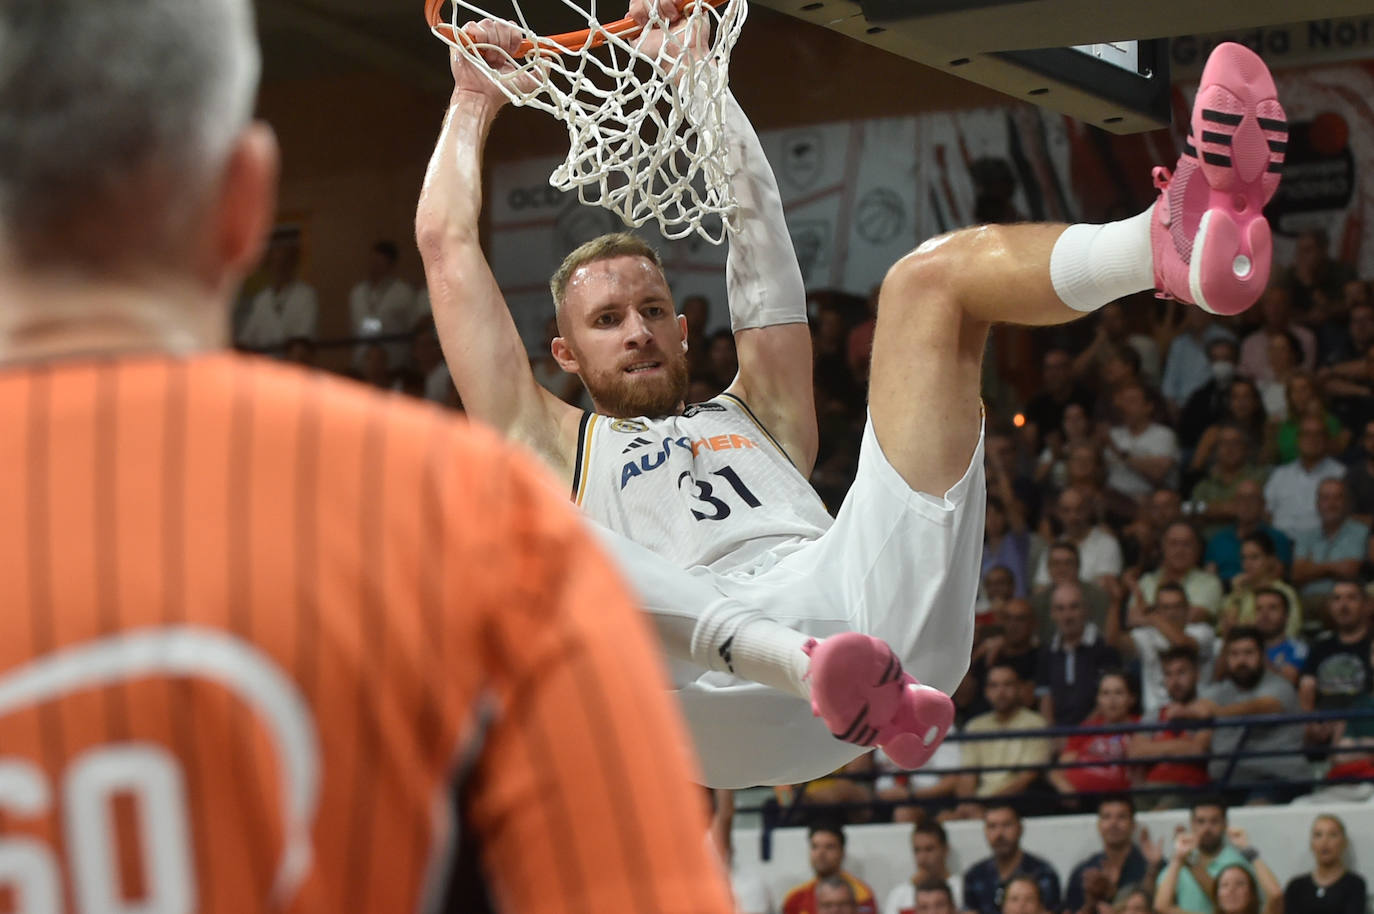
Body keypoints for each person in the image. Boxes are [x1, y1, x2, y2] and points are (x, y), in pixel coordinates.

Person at [0, 3, 739, 913]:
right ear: (245, 205)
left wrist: (474, 100)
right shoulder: (477, 517)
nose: (635, 333)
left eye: (650, 313)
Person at [422, 20, 1286, 786]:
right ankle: (803, 664)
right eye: (609, 321)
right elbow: (448, 251)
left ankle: (1166, 243)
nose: (639, 332)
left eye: (652, 312)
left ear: (686, 331)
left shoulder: (757, 410)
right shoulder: (550, 442)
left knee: (926, 282)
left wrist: (703, 83)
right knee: (534, 541)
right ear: (564, 354)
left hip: (873, 633)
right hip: (707, 696)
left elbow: (759, 243)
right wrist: (472, 99)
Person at [1172, 627, 1309, 804]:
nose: (1241, 660)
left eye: (1248, 653)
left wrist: (1217, 713)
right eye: (1234, 654)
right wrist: (1186, 712)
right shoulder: (1219, 691)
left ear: (1262, 656)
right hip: (1228, 782)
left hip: (1278, 778)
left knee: (1256, 807)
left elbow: (1263, 706)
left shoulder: (1280, 686)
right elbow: (1199, 708)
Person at [950, 664, 1052, 817]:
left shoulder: (1035, 724)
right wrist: (968, 804)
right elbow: (967, 775)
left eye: (1008, 684)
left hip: (1018, 803)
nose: (1001, 692)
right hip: (980, 802)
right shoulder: (975, 726)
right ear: (986, 692)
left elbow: (1028, 777)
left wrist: (987, 807)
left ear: (1019, 688)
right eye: (994, 686)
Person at [1106, 581, 1217, 719]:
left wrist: (1150, 615)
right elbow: (1113, 641)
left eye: (1177, 607)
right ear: (1158, 609)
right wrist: (1115, 603)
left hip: (1196, 713)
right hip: (1155, 718)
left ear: (1187, 609)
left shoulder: (1202, 631)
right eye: (1166, 607)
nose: (1172, 613)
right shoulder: (1147, 635)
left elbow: (1182, 644)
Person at [1128, 647, 1212, 808]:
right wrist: (1179, 747)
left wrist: (1154, 749)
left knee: (1164, 809)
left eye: (1181, 673)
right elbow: (1135, 752)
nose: (1174, 681)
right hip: (1151, 786)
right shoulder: (1155, 714)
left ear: (1197, 675)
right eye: (1168, 674)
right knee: (1120, 811)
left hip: (1189, 787)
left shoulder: (1206, 710)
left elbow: (1196, 750)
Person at [1036, 584, 1123, 726]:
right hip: (1056, 736)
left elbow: (1108, 699)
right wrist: (1051, 734)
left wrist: (1079, 737)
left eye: (1074, 607)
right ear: (1052, 613)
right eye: (1060, 608)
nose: (1067, 615)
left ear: (1086, 610)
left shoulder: (1105, 650)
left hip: (1095, 732)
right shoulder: (1046, 653)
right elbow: (1045, 698)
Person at [1299, 579, 1373, 743]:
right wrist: (1309, 723)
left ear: (1367, 606)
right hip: (1323, 725)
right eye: (1337, 599)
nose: (1343, 605)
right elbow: (1307, 688)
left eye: (1351, 598)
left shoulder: (1372, 644)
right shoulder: (1320, 644)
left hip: (1363, 726)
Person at [1152, 799, 1252, 914]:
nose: (1207, 828)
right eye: (1201, 821)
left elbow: (1222, 899)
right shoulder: (1179, 862)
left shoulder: (1237, 862)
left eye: (1214, 821)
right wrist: (1178, 857)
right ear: (1192, 824)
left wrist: (1189, 860)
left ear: (1225, 824)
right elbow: (1161, 906)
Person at [1049, 672, 1139, 797]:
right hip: (1078, 800)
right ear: (1098, 699)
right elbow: (1059, 769)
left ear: (1132, 698)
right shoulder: (1087, 727)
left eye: (1118, 693)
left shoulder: (1142, 726)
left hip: (1118, 800)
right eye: (1105, 693)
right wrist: (1066, 789)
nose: (1111, 700)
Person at [1063, 796, 1159, 913]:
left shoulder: (1151, 864)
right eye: (1106, 817)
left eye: (1121, 817)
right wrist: (1094, 898)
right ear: (1099, 825)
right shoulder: (1084, 871)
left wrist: (1153, 870)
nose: (1113, 823)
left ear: (1133, 824)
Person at [962, 805, 1061, 914]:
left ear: (1020, 829)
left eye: (1007, 825)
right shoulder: (974, 875)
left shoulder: (1043, 872)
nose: (999, 834)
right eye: (992, 826)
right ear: (985, 831)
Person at [1264, 414, 1346, 541]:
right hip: (1279, 545)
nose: (1312, 439)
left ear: (1327, 440)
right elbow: (1266, 512)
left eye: (1318, 434)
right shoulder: (1280, 474)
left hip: (1320, 546)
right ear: (1298, 439)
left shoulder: (1341, 474)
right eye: (1306, 434)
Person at [1292, 478, 1369, 605]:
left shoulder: (1361, 532)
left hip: (1346, 602)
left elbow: (1350, 570)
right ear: (1317, 503)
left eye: (1337, 498)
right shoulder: (1305, 536)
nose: (1331, 504)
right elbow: (1297, 574)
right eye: (1325, 498)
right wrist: (1333, 568)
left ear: (1347, 503)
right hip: (1308, 602)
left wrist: (1312, 568)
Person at [1203, 480, 1292, 583]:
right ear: (1233, 504)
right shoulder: (1217, 540)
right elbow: (1209, 578)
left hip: (1263, 593)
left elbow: (1279, 577)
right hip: (1225, 594)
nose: (1246, 504)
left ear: (1263, 504)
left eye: (1252, 499)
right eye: (1241, 499)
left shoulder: (1278, 538)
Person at [1216, 532, 1302, 639]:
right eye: (1244, 558)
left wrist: (1249, 629)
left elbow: (1291, 631)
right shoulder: (1237, 592)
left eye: (1254, 557)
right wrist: (1237, 596)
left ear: (1270, 559)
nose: (1247, 564)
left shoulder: (1285, 592)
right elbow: (1223, 630)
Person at [1135, 523, 1224, 622]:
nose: (1180, 550)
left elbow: (1193, 617)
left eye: (1187, 544)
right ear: (1162, 547)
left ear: (1198, 549)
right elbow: (1131, 618)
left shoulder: (1210, 583)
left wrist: (1146, 612)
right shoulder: (1146, 580)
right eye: (1173, 543)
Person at [783, 823, 878, 914]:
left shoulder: (862, 894)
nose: (820, 853)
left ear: (842, 852)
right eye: (815, 847)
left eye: (829, 847)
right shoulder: (795, 898)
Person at [1283, 814, 1367, 914]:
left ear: (1344, 842)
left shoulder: (1355, 885)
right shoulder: (1296, 886)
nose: (1324, 841)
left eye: (1332, 835)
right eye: (1318, 835)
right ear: (1311, 844)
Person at [882, 823, 965, 914]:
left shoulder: (963, 889)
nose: (922, 857)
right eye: (917, 850)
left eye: (929, 849)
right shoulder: (899, 895)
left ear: (945, 850)